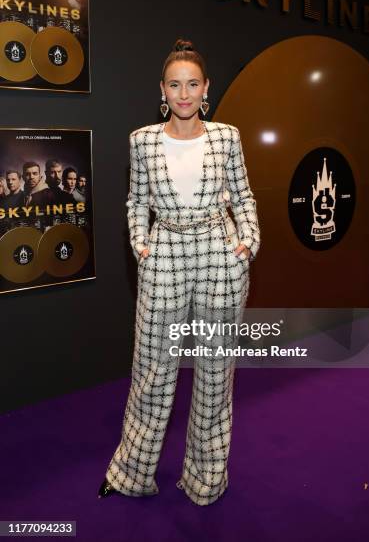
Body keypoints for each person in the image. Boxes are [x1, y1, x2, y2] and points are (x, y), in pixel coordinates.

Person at [98, 39, 260, 506]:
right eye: (175, 85)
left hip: (219, 255)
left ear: (206, 87)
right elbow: (136, 202)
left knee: (214, 375)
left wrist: (246, 243)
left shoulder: (226, 136)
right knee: (152, 371)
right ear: (162, 90)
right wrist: (140, 245)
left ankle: (206, 478)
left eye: (192, 84)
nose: (184, 94)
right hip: (164, 253)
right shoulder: (142, 140)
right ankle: (131, 471)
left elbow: (245, 196)